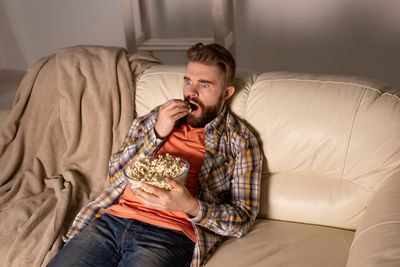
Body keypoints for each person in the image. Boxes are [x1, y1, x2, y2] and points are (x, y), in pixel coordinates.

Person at [48, 43, 263, 267]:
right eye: (188, 81)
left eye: (205, 85)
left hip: (169, 235)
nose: (192, 92)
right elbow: (115, 173)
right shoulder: (157, 118)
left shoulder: (240, 141)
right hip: (113, 221)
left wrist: (191, 206)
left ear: (226, 93)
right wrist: (157, 133)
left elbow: (243, 218)